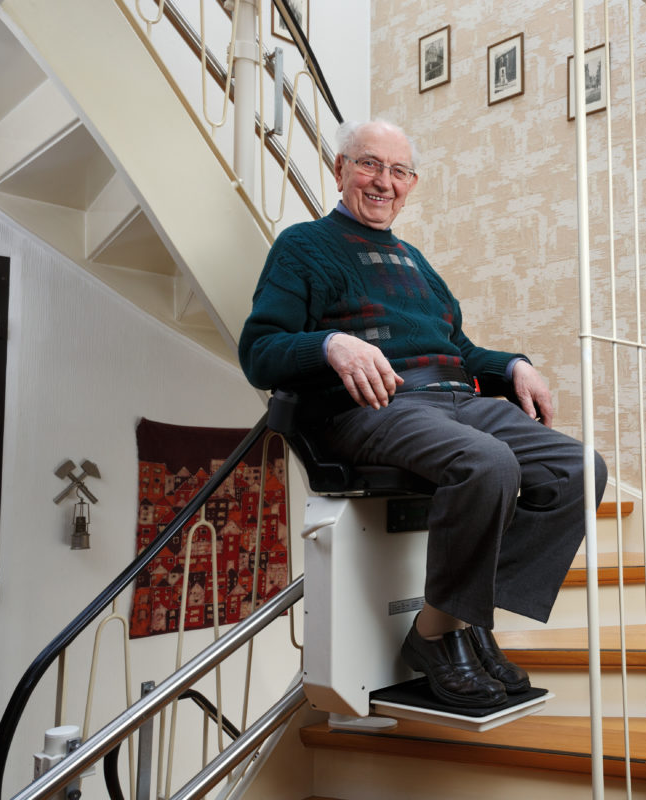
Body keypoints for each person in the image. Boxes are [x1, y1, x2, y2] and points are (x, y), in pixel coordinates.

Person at [238, 119, 607, 708]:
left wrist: (514, 366)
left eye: (398, 171)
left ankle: (460, 618)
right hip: (376, 404)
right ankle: (435, 637)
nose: (384, 182)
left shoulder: (415, 261)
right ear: (340, 170)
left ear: (412, 183)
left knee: (578, 469)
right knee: (488, 465)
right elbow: (259, 353)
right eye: (369, 165)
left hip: (460, 398)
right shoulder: (302, 247)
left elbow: (458, 350)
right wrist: (330, 344)